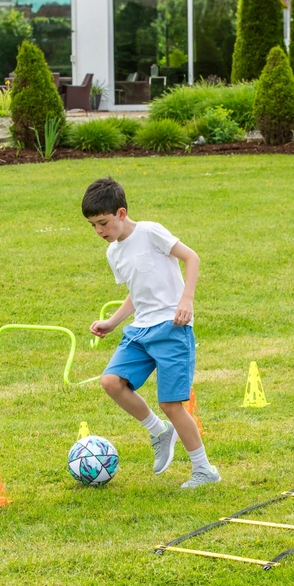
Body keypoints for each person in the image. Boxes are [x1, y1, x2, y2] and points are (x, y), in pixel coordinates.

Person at [83, 176, 220, 488]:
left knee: (171, 404)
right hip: (140, 330)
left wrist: (186, 299)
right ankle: (159, 431)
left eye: (103, 223)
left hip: (172, 327)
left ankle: (204, 470)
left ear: (121, 213)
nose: (99, 231)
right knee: (111, 381)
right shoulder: (113, 252)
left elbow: (192, 257)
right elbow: (137, 291)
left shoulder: (150, 232)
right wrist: (112, 322)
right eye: (93, 226)